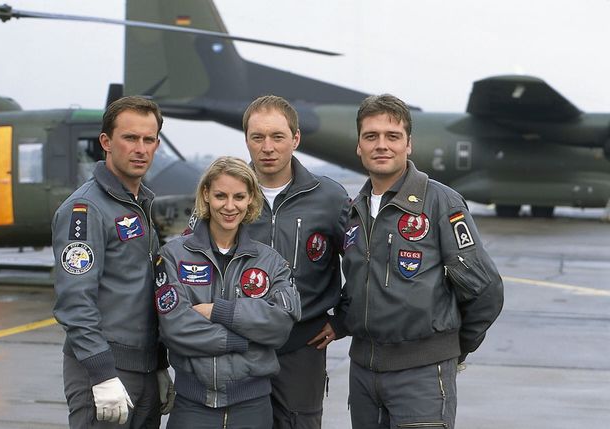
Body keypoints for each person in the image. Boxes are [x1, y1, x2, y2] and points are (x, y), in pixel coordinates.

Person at [330, 94, 504, 429]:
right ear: (359, 146)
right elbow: (357, 285)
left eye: (392, 136)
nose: (382, 145)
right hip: (363, 374)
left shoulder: (440, 203)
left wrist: (452, 348)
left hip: (421, 376)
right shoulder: (354, 211)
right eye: (371, 136)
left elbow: (486, 291)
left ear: (408, 144)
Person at [52, 96, 175, 428]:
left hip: (144, 370)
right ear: (106, 142)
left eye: (148, 140)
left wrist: (158, 363)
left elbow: (142, 291)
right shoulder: (86, 210)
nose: (140, 149)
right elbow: (75, 302)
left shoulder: (138, 203)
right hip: (104, 372)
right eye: (130, 138)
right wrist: (102, 374)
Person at [155, 156, 301, 428]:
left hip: (252, 408)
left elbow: (280, 327)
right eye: (221, 195)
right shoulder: (173, 256)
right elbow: (175, 328)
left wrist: (218, 311)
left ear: (251, 199)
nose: (230, 206)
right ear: (206, 195)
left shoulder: (270, 262)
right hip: (192, 407)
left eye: (239, 196)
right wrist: (245, 340)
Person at [240, 95, 350, 429]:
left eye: (278, 136)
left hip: (303, 347)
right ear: (246, 140)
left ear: (296, 138)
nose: (267, 147)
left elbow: (365, 263)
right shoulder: (228, 194)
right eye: (258, 137)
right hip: (238, 346)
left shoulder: (329, 198)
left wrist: (344, 320)